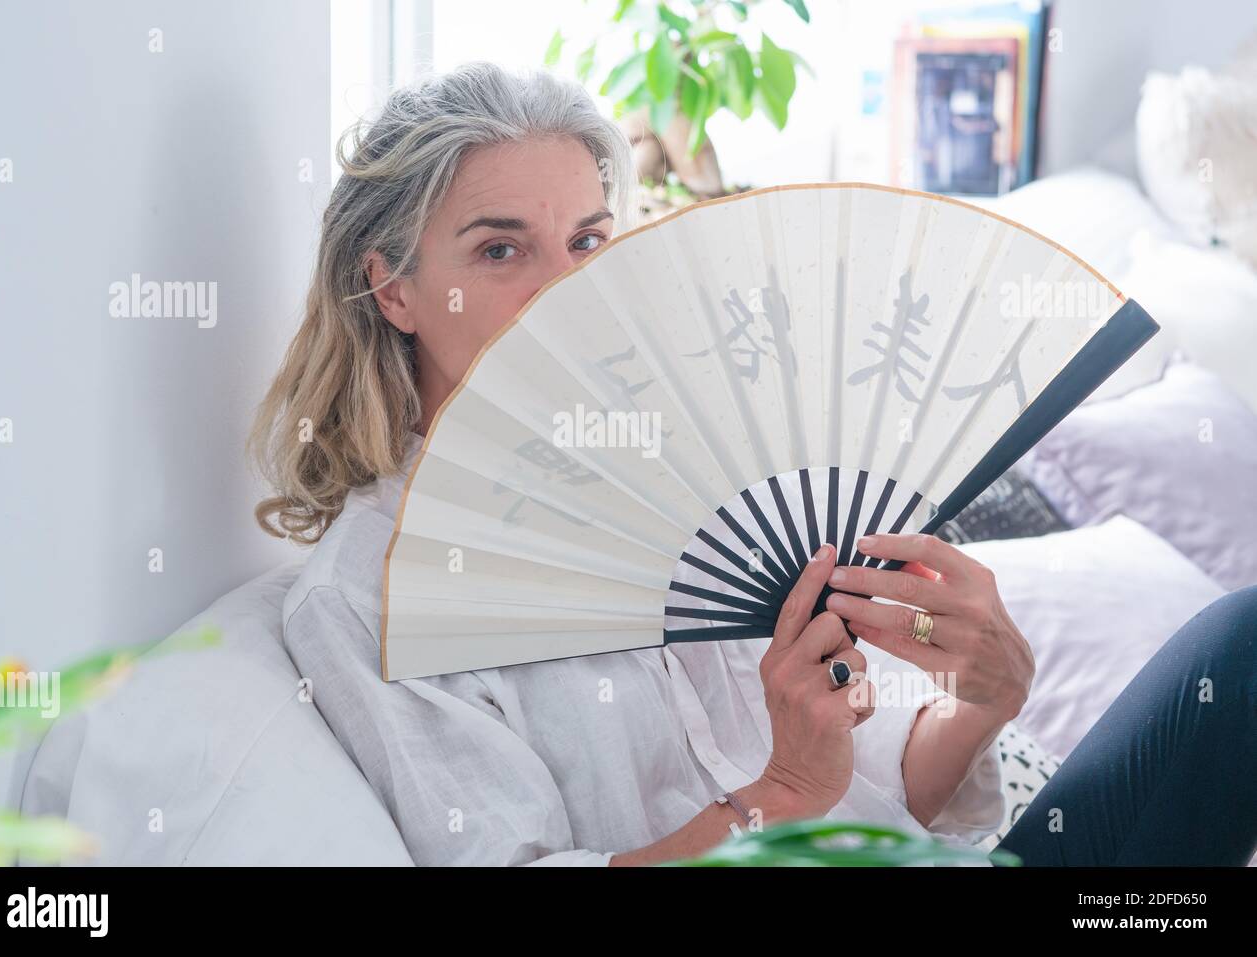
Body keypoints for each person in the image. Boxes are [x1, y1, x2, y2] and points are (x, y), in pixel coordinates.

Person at [250, 61, 1257, 867]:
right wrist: (778, 802)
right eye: (500, 251)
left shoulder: (699, 488)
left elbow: (887, 789)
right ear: (391, 289)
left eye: (591, 240)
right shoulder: (366, 597)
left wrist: (976, 699)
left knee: (1239, 643)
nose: (570, 290)